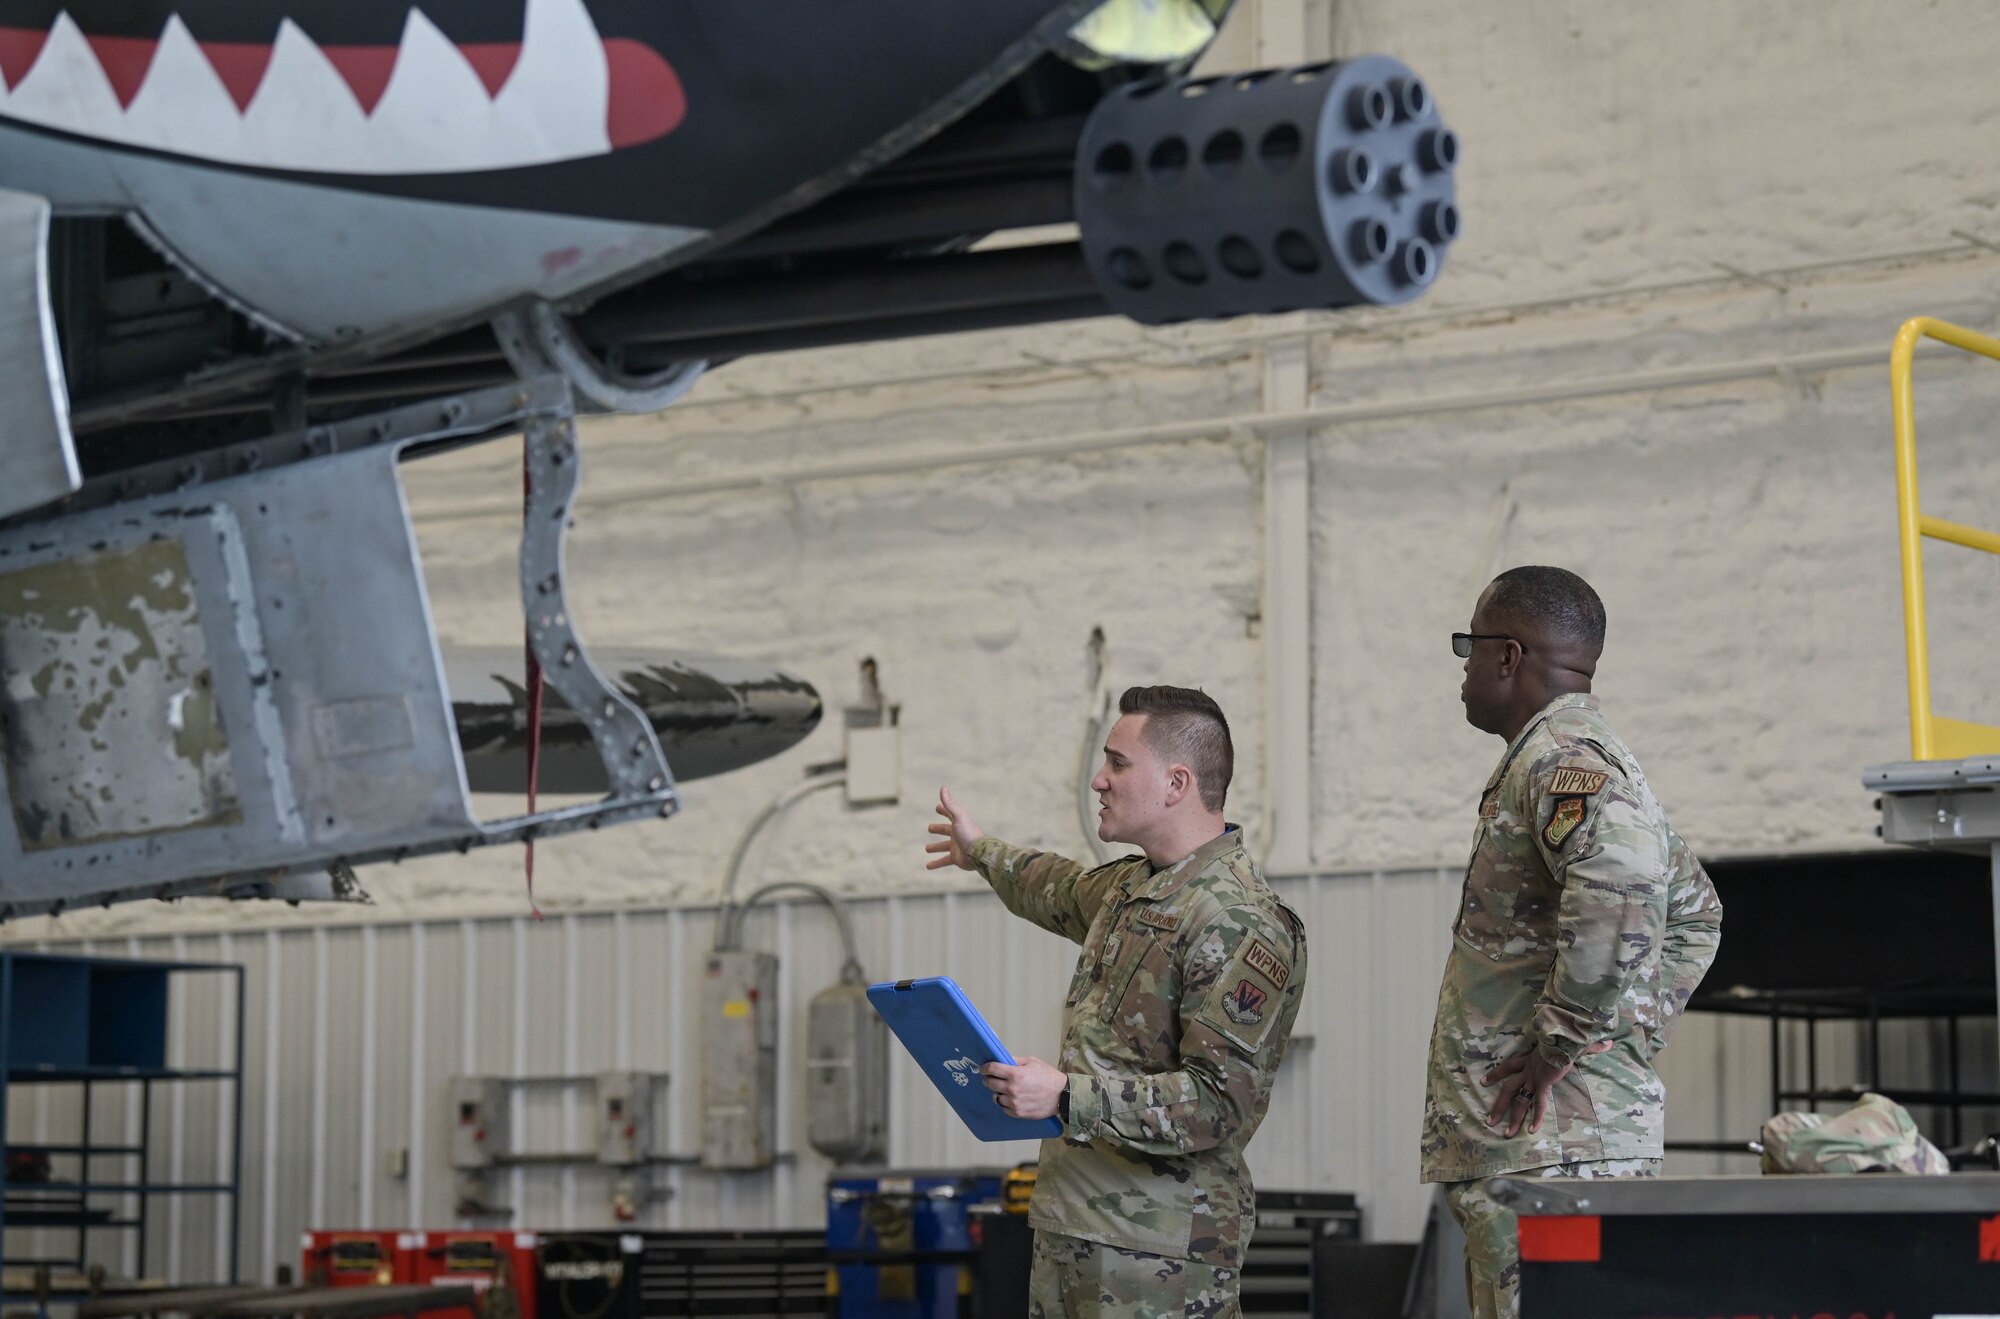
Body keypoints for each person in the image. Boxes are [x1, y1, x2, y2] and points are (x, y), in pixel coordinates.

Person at [926, 685, 1307, 1319]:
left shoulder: (1236, 919)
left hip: (1159, 1254)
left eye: (1118, 763)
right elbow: (1058, 886)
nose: (1099, 781)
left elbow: (1218, 1105)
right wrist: (980, 851)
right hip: (1075, 1226)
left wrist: (1066, 1096)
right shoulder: (1133, 888)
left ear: (1176, 782)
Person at [1423, 566, 1723, 1319]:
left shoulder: (1563, 758)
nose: (1464, 666)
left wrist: (1567, 1042)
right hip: (1555, 1151)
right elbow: (1694, 910)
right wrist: (1625, 1030)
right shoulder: (1574, 756)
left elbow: (1621, 889)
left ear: (1509, 655)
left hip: (1554, 1158)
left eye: (1470, 645)